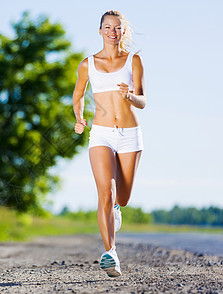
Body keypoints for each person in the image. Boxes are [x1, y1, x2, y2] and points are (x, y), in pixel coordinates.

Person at [72, 10, 146, 277]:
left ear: (123, 32)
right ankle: (110, 253)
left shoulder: (133, 60)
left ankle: (117, 208)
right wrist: (79, 118)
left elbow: (143, 100)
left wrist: (130, 97)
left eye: (117, 28)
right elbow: (78, 96)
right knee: (105, 192)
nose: (112, 32)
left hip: (129, 135)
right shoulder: (87, 64)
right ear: (100, 30)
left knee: (121, 198)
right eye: (108, 27)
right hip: (101, 134)